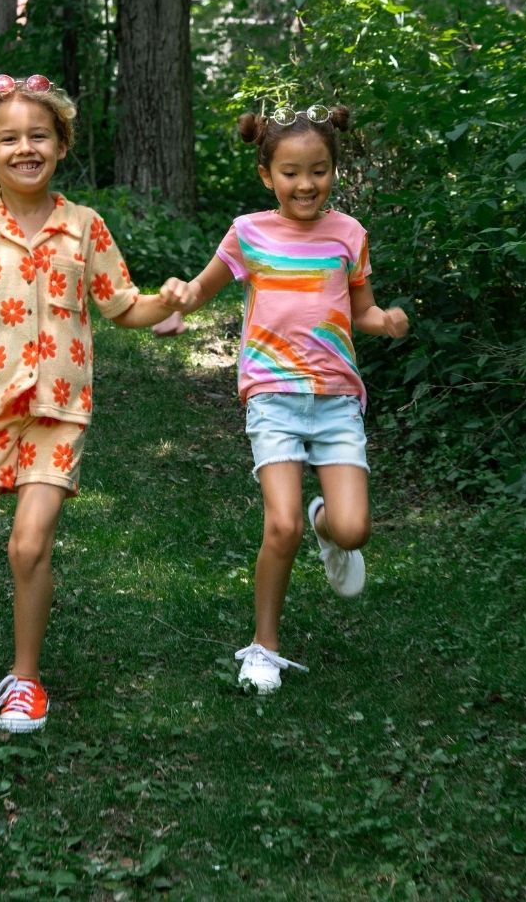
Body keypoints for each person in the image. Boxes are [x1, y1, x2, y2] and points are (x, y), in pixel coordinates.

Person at [0, 73, 178, 732]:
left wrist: (165, 303)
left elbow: (122, 305)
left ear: (61, 144)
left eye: (39, 136)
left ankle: (26, 681)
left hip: (59, 413)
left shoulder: (84, 227)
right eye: (10, 138)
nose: (26, 148)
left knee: (28, 547)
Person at [159, 103, 409, 694]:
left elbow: (362, 309)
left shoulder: (349, 234)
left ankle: (328, 524)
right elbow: (202, 287)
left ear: (333, 171)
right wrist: (175, 303)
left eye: (318, 171)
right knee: (281, 525)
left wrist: (385, 321)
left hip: (336, 399)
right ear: (267, 175)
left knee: (353, 530)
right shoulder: (249, 232)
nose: (306, 184)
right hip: (272, 394)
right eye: (291, 172)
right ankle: (264, 646)